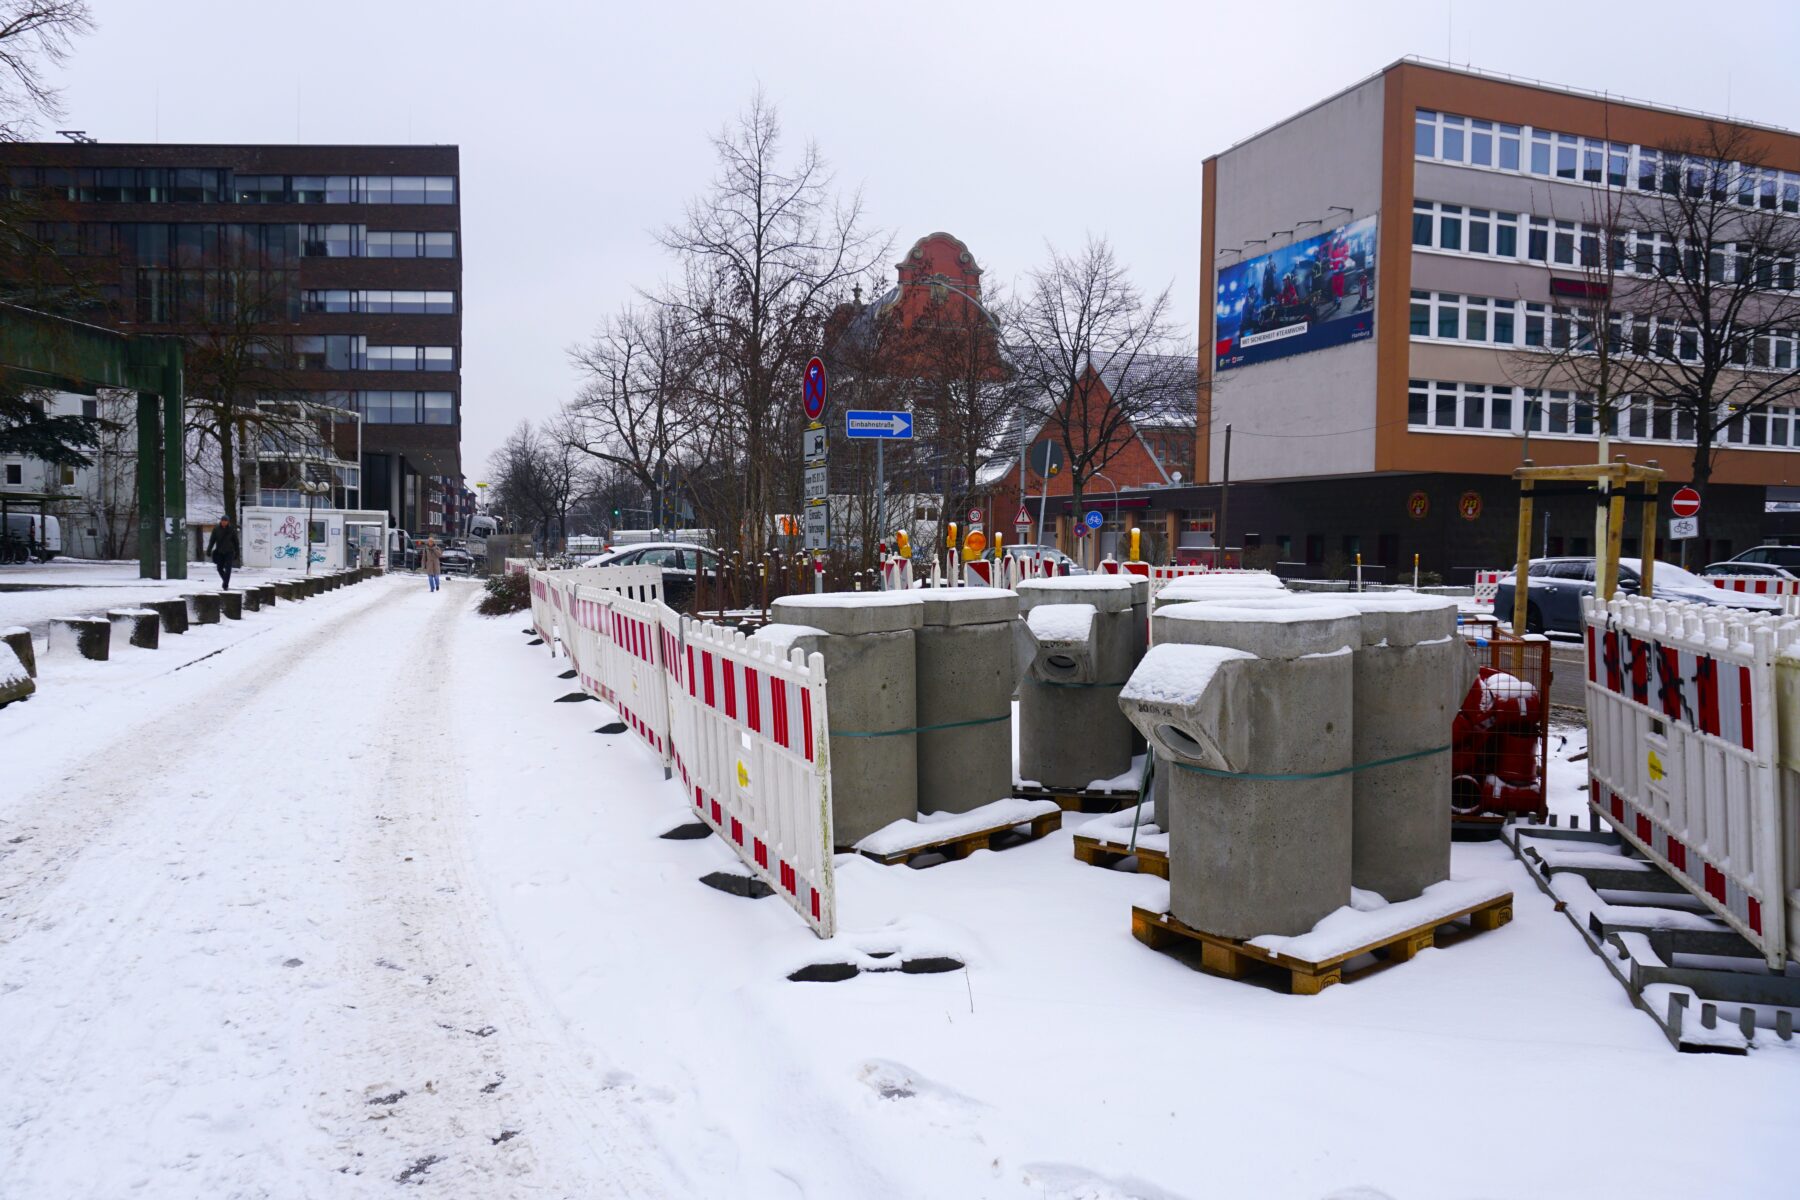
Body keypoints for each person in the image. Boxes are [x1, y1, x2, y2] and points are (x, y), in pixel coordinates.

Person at [206, 517, 240, 591]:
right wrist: (209, 550)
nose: (224, 522)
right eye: (223, 521)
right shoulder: (216, 529)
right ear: (221, 521)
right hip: (220, 551)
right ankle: (225, 580)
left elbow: (236, 542)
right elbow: (212, 540)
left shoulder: (231, 529)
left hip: (229, 552)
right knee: (219, 568)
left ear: (228, 522)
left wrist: (237, 552)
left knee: (228, 569)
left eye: (225, 521)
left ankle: (225, 584)